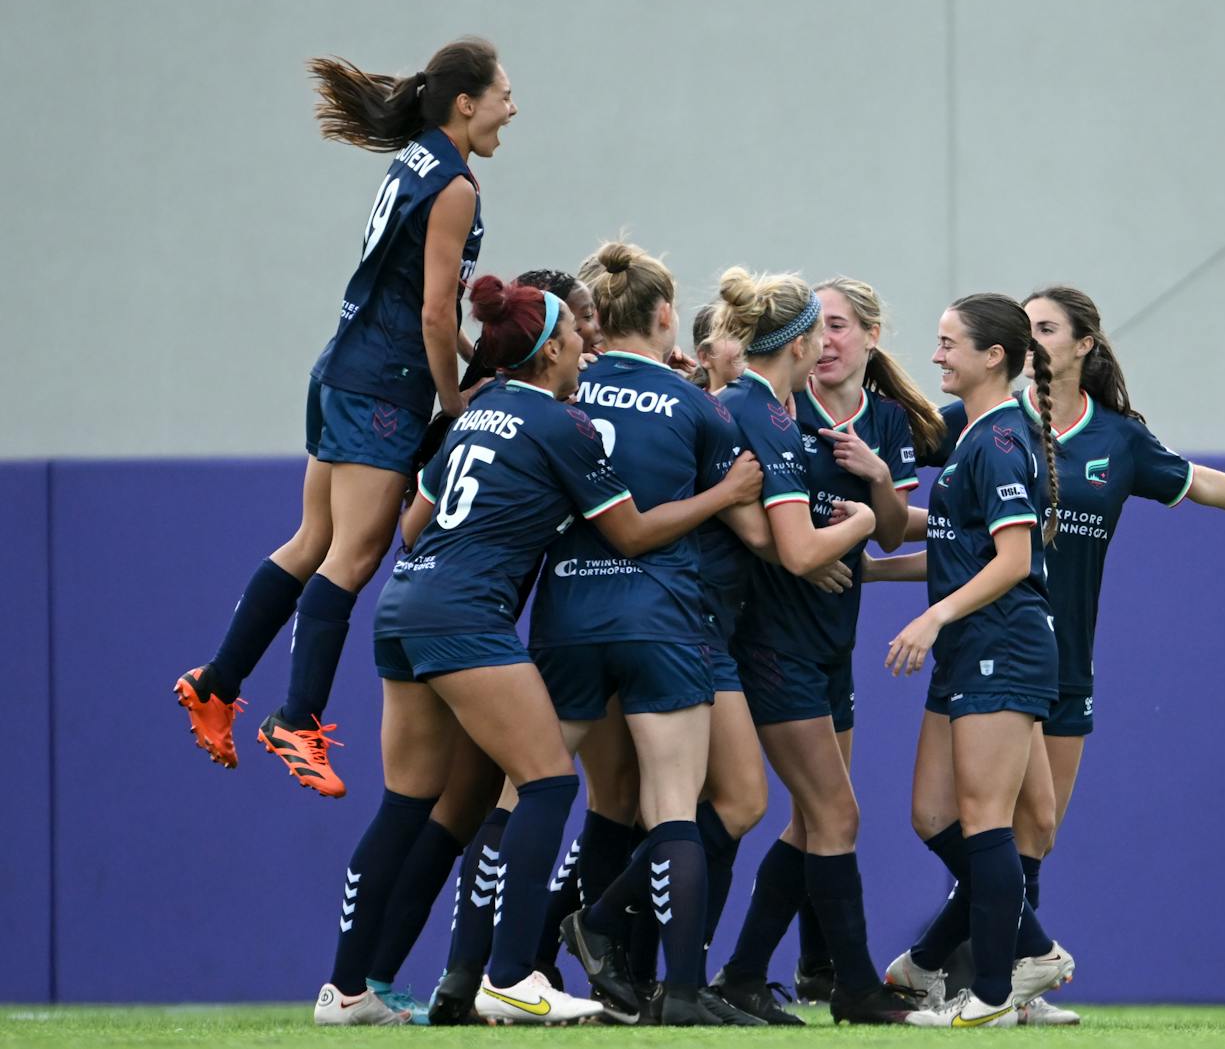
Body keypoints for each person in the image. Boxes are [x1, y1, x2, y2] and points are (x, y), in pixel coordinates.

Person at [879, 285, 1225, 1025]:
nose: (1035, 342)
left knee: (1027, 830)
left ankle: (989, 977)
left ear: (1083, 345)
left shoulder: (1113, 440)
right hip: (989, 642)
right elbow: (935, 511)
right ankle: (988, 965)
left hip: (1050, 656)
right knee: (972, 820)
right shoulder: (987, 425)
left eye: (1048, 329)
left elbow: (1203, 482)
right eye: (1026, 327)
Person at [314, 274, 762, 1025]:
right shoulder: (560, 424)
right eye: (577, 333)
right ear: (551, 347)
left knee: (405, 804)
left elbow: (414, 528)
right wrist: (725, 492)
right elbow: (633, 532)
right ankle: (513, 974)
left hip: (403, 605)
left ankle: (346, 988)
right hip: (469, 615)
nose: (588, 342)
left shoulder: (477, 412)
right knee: (548, 781)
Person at [174, 38, 517, 797]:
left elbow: (416, 302)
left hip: (341, 366)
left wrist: (478, 355)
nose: (511, 108)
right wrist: (458, 400)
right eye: (503, 94)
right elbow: (432, 311)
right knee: (354, 557)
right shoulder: (457, 184)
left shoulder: (415, 159)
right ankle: (296, 719)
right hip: (384, 386)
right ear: (467, 102)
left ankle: (219, 681)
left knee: (312, 541)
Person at [529, 242, 771, 1026]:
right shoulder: (700, 406)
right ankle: (685, 989)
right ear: (667, 316)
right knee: (671, 807)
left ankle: (495, 972)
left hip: (564, 615)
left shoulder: (559, 389)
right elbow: (765, 536)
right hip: (661, 619)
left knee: (541, 796)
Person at [710, 276, 944, 1022]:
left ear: (872, 336)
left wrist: (879, 481)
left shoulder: (887, 422)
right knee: (832, 814)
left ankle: (743, 973)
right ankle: (852, 986)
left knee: (813, 819)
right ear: (801, 341)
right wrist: (848, 531)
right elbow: (791, 540)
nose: (831, 341)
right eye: (824, 326)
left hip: (830, 640)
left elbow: (887, 525)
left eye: (845, 326)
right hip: (774, 638)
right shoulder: (777, 411)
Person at [874, 293, 1076, 1028]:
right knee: (932, 813)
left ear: (995, 357)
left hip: (1003, 643)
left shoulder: (997, 441)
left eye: (949, 342)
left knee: (987, 817)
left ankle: (990, 993)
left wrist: (932, 614)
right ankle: (1033, 948)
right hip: (971, 644)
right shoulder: (974, 436)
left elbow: (1015, 559)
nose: (937, 355)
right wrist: (868, 568)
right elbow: (962, 548)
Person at [689, 303, 745, 391]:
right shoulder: (685, 402)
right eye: (733, 334)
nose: (747, 341)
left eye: (750, 332)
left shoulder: (768, 401)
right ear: (705, 357)